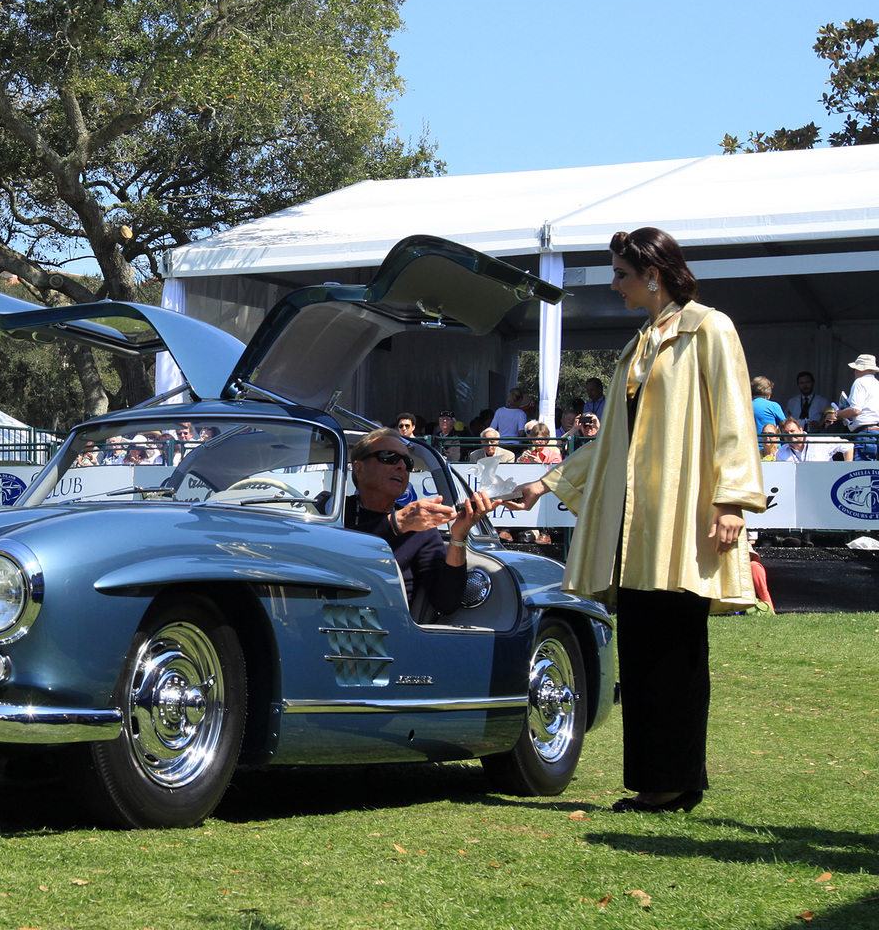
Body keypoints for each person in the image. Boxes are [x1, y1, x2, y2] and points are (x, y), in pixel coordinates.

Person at [509, 226, 764, 815]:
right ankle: (657, 781)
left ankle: (674, 780)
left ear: (653, 274)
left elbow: (734, 417)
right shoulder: (639, 345)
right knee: (645, 646)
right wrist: (545, 482)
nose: (614, 285)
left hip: (683, 518)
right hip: (636, 523)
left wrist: (732, 500)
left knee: (676, 646)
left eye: (621, 274)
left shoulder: (710, 329)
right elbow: (609, 445)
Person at [344, 430, 496, 617]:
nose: (401, 466)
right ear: (359, 469)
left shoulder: (420, 528)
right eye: (389, 457)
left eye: (407, 462)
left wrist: (459, 537)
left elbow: (446, 603)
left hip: (387, 628)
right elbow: (323, 551)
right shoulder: (327, 510)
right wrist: (396, 524)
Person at [836, 353, 879, 461]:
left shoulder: (860, 382)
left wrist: (839, 414)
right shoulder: (876, 383)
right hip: (875, 431)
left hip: (865, 433)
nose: (855, 372)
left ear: (861, 369)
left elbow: (856, 410)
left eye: (856, 369)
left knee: (861, 470)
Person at [774, 416, 853, 462]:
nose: (790, 435)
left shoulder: (819, 441)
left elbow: (847, 446)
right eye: (786, 433)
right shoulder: (781, 452)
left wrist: (848, 469)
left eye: (792, 431)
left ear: (801, 430)